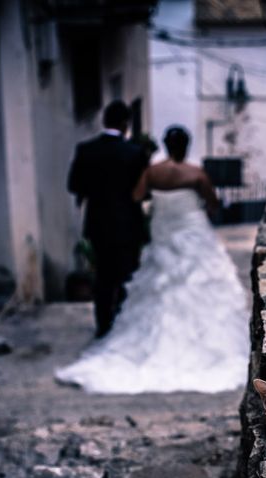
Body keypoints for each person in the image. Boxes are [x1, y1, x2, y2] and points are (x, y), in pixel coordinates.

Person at [55, 126, 249, 394]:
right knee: (197, 282)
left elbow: (136, 196)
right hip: (191, 230)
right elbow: (213, 204)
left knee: (160, 283)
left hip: (163, 231)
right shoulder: (196, 173)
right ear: (186, 145)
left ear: (166, 145)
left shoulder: (152, 171)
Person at [67, 101, 148, 337]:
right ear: (125, 124)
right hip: (128, 225)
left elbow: (73, 185)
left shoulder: (86, 150)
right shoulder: (134, 153)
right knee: (126, 275)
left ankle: (103, 325)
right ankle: (123, 324)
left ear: (104, 122)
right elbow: (144, 193)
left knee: (103, 276)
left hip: (98, 223)